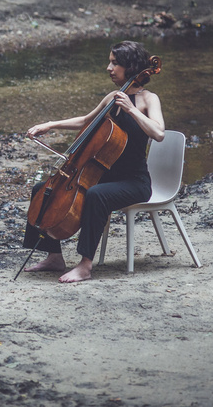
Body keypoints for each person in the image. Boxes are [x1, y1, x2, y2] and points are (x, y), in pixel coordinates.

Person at [22, 41, 165, 283]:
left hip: (134, 181)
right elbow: (86, 120)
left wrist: (131, 110)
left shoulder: (148, 100)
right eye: (110, 62)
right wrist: (50, 124)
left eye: (115, 63)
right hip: (105, 174)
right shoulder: (112, 97)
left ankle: (85, 265)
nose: (109, 68)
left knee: (96, 195)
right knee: (43, 189)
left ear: (130, 67)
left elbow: (159, 133)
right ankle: (54, 256)